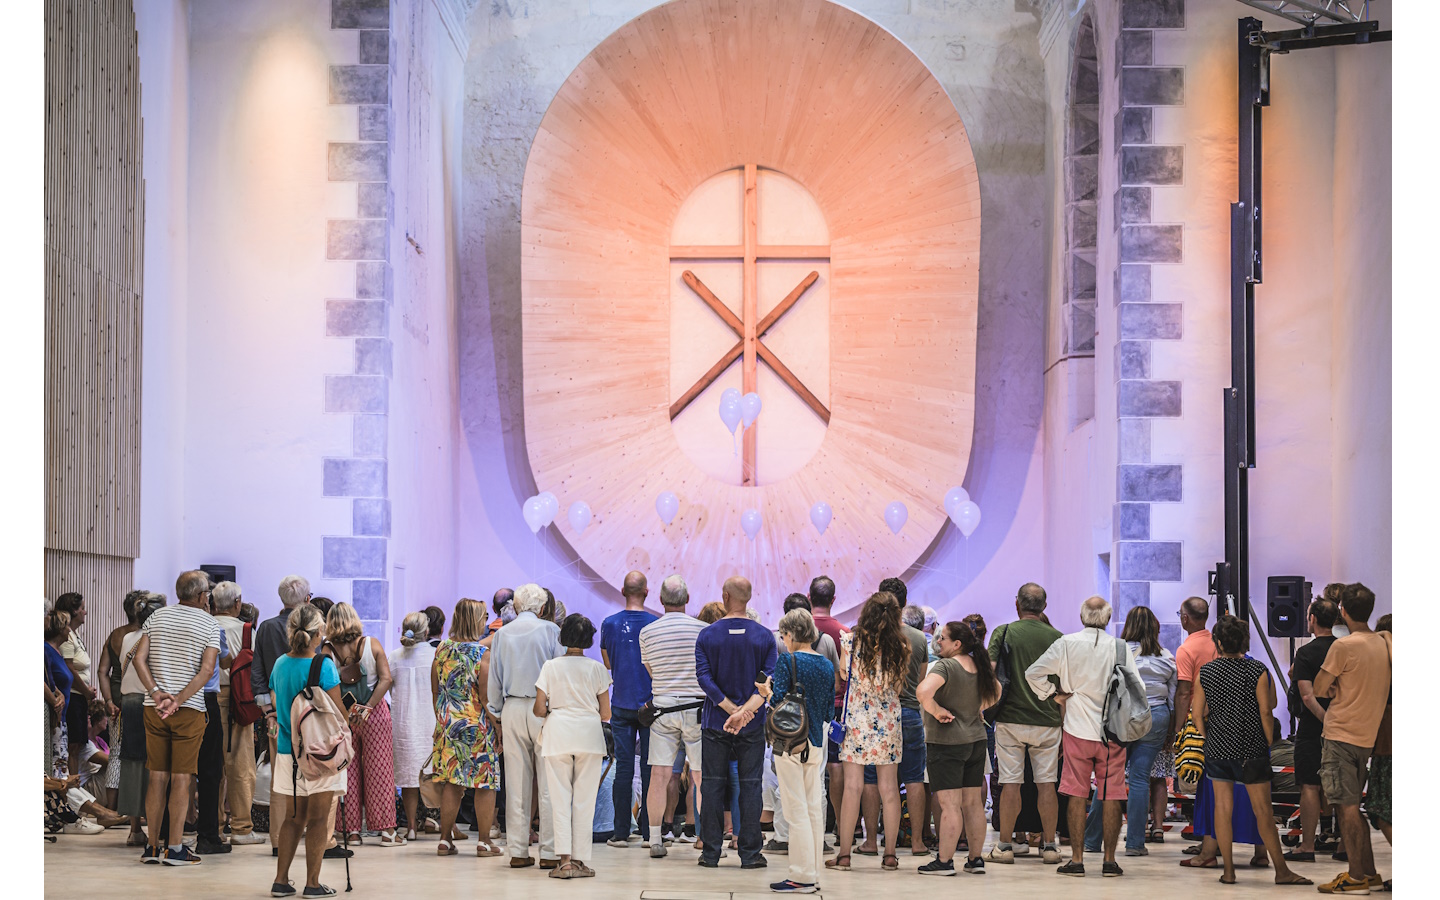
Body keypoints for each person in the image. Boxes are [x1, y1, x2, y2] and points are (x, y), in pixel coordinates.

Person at [1192, 615, 1311, 886]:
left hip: (1218, 748)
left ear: (1218, 642)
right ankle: (1281, 870)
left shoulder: (1206, 672)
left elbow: (1197, 714)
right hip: (1251, 747)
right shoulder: (1257, 669)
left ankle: (1229, 871)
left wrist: (1208, 736)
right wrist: (1267, 739)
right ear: (1243, 642)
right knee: (1263, 811)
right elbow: (1267, 709)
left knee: (1222, 808)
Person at [1024, 596, 1138, 877]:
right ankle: (1109, 861)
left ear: (1081, 616)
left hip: (1076, 729)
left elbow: (1033, 673)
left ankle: (1076, 860)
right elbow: (1137, 689)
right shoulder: (1120, 647)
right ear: (1109, 618)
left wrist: (1054, 695)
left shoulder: (1066, 643)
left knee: (1076, 793)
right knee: (1111, 795)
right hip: (1112, 733)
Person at [130, 570, 221, 866]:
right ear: (201, 596)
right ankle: (176, 848)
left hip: (154, 708)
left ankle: (153, 847)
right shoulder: (209, 623)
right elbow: (207, 670)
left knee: (157, 776)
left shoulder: (156, 618)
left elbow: (138, 658)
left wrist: (157, 694)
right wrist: (179, 699)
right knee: (182, 778)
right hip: (189, 709)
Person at [694, 576, 778, 869]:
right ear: (749, 598)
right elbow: (766, 683)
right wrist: (744, 714)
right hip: (752, 725)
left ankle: (710, 853)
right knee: (751, 786)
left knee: (713, 787)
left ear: (725, 596)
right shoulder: (765, 636)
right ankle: (751, 854)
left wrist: (730, 710)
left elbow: (704, 678)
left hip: (715, 722)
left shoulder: (707, 635)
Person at [1312, 583, 1391, 895]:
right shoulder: (1384, 642)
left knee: (1345, 807)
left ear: (1342, 611)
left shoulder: (1343, 647)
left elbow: (1320, 687)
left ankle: (1355, 877)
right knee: (1352, 806)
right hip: (1366, 736)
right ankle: (1368, 872)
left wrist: (1335, 687)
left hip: (1341, 733)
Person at [826, 591, 910, 873]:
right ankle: (889, 855)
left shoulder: (849, 641)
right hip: (888, 723)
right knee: (889, 789)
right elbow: (898, 688)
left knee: (852, 788)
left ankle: (845, 855)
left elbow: (844, 676)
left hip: (857, 722)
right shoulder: (902, 646)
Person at [1082, 606, 1176, 856]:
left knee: (1109, 778)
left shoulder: (1115, 650)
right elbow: (1174, 697)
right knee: (1140, 779)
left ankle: (1092, 840)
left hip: (1120, 718)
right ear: (1155, 627)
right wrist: (1171, 732)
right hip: (1156, 717)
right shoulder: (1166, 657)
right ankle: (1135, 843)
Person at [757, 608, 836, 893]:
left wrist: (766, 693)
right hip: (816, 740)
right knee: (813, 807)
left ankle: (801, 876)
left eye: (783, 635)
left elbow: (777, 701)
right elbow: (828, 708)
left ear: (790, 633)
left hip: (790, 742)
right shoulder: (827, 664)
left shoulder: (787, 661)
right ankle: (812, 873)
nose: (783, 640)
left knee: (794, 809)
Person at [268, 604, 344, 897]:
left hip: (289, 750)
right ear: (318, 633)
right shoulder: (323, 665)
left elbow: (280, 703)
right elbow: (337, 713)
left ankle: (281, 880)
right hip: (320, 753)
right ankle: (312, 883)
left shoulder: (279, 664)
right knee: (318, 819)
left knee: (293, 818)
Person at [986, 583, 1063, 864]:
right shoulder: (1058, 637)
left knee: (1010, 784)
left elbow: (991, 674)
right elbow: (1063, 682)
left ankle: (1005, 846)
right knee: (1046, 785)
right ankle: (1050, 846)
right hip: (1048, 720)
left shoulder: (1004, 633)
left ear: (1017, 604)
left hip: (1010, 719)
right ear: (1044, 607)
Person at [488, 583, 564, 867]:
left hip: (511, 707)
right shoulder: (552, 632)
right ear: (543, 608)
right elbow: (559, 672)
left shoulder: (502, 634)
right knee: (547, 783)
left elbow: (494, 678)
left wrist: (497, 712)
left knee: (516, 785)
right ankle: (548, 852)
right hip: (544, 709)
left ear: (516, 606)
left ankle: (518, 852)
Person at [915, 620, 997, 876]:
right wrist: (978, 709)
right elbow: (997, 691)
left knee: (949, 805)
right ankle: (975, 860)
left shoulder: (946, 666)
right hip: (976, 741)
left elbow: (922, 691)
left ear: (957, 644)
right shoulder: (978, 665)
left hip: (947, 743)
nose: (938, 641)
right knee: (973, 804)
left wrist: (937, 710)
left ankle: (944, 861)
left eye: (943, 638)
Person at [535, 614, 612, 879]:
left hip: (558, 733)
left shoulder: (550, 667)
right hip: (589, 735)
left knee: (559, 799)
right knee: (584, 801)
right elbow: (605, 713)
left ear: (563, 636)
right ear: (589, 639)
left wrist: (553, 710)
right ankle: (579, 860)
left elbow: (538, 708)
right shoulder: (597, 669)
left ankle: (564, 861)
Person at [322, 602, 403, 846]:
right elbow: (386, 679)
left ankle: (351, 831)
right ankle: (387, 831)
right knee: (380, 771)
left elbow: (325, 686)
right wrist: (368, 707)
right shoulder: (372, 644)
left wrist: (346, 713)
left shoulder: (327, 651)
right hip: (375, 713)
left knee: (348, 772)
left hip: (343, 715)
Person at [639, 574, 708, 857]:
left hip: (663, 708)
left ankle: (655, 839)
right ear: (688, 600)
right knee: (702, 776)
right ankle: (705, 838)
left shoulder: (648, 632)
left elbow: (651, 671)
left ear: (661, 600)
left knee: (659, 774)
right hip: (697, 708)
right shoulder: (703, 630)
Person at [431, 598, 502, 857]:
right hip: (476, 727)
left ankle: (444, 839)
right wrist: (499, 726)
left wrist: (443, 720)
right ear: (475, 620)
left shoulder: (441, 649)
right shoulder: (482, 654)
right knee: (484, 783)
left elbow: (435, 691)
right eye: (483, 616)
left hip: (448, 724)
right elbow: (485, 698)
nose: (486, 621)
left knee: (452, 783)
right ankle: (484, 842)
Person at [254, 575, 312, 853]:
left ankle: (278, 839)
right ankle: (320, 837)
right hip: (310, 715)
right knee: (314, 774)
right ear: (307, 599)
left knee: (281, 776)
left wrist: (267, 711)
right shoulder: (313, 627)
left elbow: (257, 673)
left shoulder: (265, 627)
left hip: (277, 714)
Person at [601, 571, 659, 847]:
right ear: (647, 592)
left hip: (620, 704)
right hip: (649, 705)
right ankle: (649, 833)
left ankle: (621, 832)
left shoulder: (609, 624)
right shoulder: (655, 623)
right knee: (649, 768)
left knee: (623, 768)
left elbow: (609, 664)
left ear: (622, 591)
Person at [878, 577, 931, 859]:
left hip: (880, 714)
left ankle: (872, 842)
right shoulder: (920, 638)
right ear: (905, 600)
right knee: (914, 779)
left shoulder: (871, 634)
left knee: (874, 780)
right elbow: (920, 683)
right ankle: (918, 841)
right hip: (910, 712)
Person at [210, 581, 265, 845]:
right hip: (238, 700)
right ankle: (242, 827)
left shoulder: (207, 626)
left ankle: (216, 825)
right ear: (237, 604)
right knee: (241, 764)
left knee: (212, 765)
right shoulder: (246, 630)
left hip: (209, 697)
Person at [1286, 596, 1340, 862]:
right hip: (1344, 724)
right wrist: (1335, 720)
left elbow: (1307, 696)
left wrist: (1324, 721)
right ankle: (1343, 844)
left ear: (1313, 619)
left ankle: (1307, 846)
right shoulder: (1344, 648)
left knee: (1309, 784)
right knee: (1341, 787)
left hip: (1311, 728)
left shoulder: (1305, 653)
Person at [115, 594, 164, 847]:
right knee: (155, 763)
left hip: (128, 703)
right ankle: (157, 827)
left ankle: (135, 828)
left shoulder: (127, 638)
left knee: (132, 762)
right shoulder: (156, 639)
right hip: (150, 702)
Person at [806, 576, 850, 841]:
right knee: (835, 766)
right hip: (835, 709)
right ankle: (842, 825)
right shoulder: (843, 632)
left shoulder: (798, 628)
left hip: (804, 710)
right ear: (833, 600)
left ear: (809, 597)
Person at [96, 590, 146, 809]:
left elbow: (102, 671)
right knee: (140, 756)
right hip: (141, 699)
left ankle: (111, 808)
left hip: (116, 698)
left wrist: (107, 700)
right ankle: (137, 808)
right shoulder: (145, 635)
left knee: (116, 753)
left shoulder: (115, 634)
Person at [391, 611, 438, 841]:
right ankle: (437, 820)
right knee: (435, 775)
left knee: (409, 778)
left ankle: (410, 827)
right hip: (429, 721)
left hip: (403, 722)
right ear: (426, 632)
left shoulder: (395, 657)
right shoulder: (435, 655)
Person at [54, 593, 98, 784]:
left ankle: (76, 791)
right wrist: (86, 690)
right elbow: (69, 667)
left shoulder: (75, 633)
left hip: (80, 695)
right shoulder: (67, 636)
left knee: (77, 745)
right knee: (72, 746)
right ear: (74, 611)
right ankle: (74, 792)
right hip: (72, 695)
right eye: (82, 609)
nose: (85, 612)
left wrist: (87, 691)